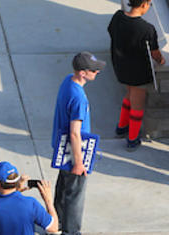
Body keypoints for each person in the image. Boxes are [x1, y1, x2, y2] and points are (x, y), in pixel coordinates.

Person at [52, 51, 104, 235]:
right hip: (74, 151)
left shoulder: (68, 81)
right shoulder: (79, 99)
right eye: (94, 70)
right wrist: (79, 162)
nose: (97, 72)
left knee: (63, 188)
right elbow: (75, 133)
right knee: (75, 195)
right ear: (82, 72)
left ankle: (55, 224)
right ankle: (71, 232)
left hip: (61, 147)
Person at [108, 0, 165, 151]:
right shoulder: (146, 29)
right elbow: (155, 53)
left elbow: (111, 32)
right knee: (137, 104)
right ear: (144, 4)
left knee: (129, 94)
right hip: (138, 72)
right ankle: (132, 138)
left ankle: (121, 126)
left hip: (121, 67)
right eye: (149, 4)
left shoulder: (118, 17)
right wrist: (161, 60)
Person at [0, 161, 59, 234]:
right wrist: (48, 201)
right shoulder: (31, 204)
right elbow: (53, 228)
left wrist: (18, 191)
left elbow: (10, 204)